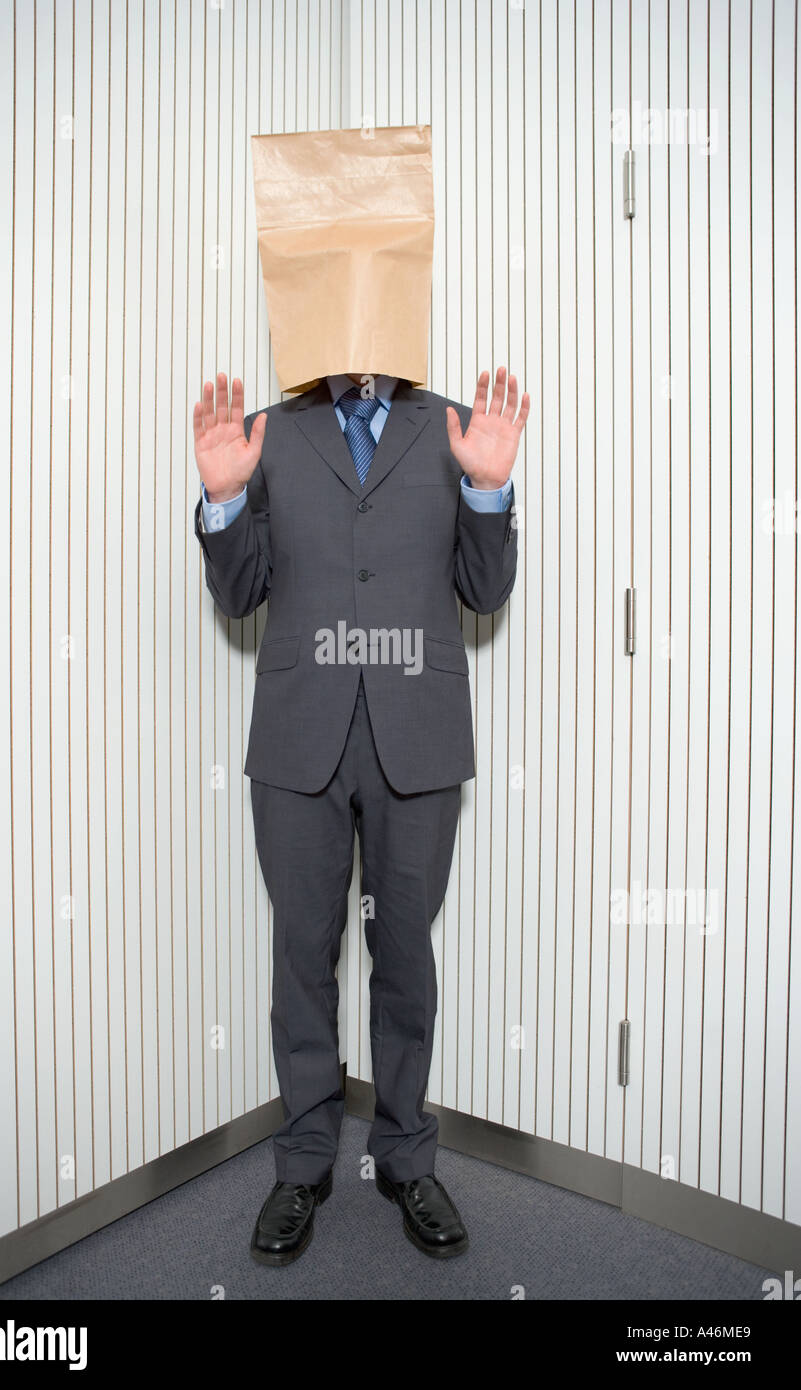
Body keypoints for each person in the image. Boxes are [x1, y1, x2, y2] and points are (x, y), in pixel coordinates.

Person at [192, 366, 528, 1264]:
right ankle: (303, 1163)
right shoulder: (266, 433)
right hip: (300, 739)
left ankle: (406, 1156)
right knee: (301, 951)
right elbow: (238, 597)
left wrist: (487, 489)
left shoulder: (453, 427)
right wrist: (223, 501)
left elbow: (483, 593)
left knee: (404, 953)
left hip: (416, 736)